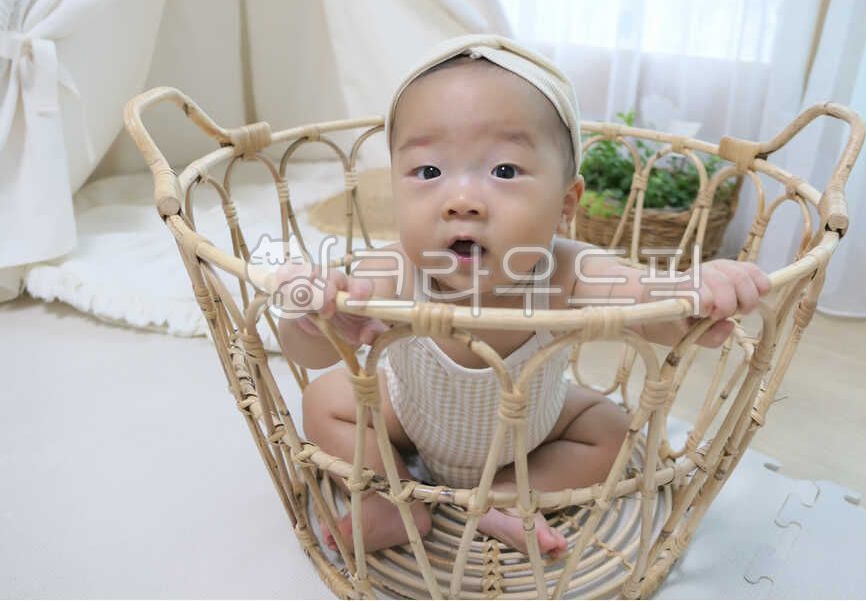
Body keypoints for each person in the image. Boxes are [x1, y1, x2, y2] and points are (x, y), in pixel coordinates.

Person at [275, 34, 771, 558]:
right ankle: (392, 497)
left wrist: (692, 297)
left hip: (533, 431)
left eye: (504, 171)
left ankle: (505, 498)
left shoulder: (568, 269)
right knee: (325, 399)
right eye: (428, 172)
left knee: (609, 430)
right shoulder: (393, 268)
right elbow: (311, 353)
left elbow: (646, 305)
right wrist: (316, 318)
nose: (461, 200)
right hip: (411, 419)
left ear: (565, 203)